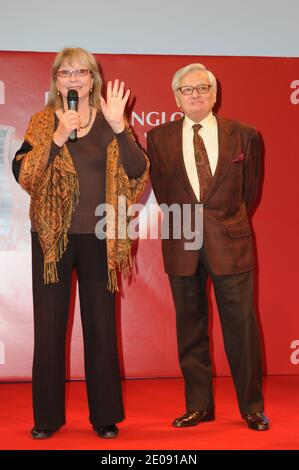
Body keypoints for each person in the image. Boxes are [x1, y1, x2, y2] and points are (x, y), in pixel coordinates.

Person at [12, 47, 149, 439]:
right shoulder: (41, 122)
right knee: (50, 329)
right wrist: (56, 136)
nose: (73, 79)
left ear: (93, 78)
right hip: (52, 239)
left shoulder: (111, 120)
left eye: (80, 72)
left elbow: (138, 171)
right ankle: (47, 419)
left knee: (101, 329)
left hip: (101, 238)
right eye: (65, 72)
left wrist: (121, 129)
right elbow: (26, 176)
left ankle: (104, 416)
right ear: (56, 80)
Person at [147, 63, 269, 431]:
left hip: (230, 242)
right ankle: (198, 405)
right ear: (176, 98)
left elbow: (250, 193)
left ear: (215, 94)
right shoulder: (159, 138)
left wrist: (224, 223)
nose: (196, 94)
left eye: (203, 88)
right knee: (190, 329)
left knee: (242, 328)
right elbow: (164, 191)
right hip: (182, 243)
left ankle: (251, 407)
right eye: (187, 90)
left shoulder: (245, 135)